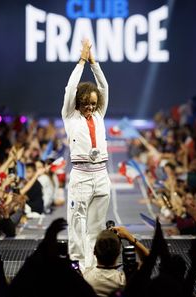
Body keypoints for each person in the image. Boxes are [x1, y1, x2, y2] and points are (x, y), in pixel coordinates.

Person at [61, 39, 110, 271]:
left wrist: (94, 63)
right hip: (81, 176)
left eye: (93, 103)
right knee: (77, 223)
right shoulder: (70, 116)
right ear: (78, 102)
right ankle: (78, 267)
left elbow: (104, 88)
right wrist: (82, 61)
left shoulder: (100, 114)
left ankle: (93, 267)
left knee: (97, 226)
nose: (90, 107)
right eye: (86, 103)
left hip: (101, 175)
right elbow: (70, 88)